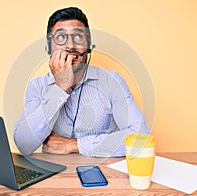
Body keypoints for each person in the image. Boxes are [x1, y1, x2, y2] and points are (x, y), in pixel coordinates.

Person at [14, 7, 149, 157]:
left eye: (78, 37)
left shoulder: (112, 82)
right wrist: (59, 88)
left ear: (89, 46)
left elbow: (140, 137)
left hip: (103, 172)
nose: (71, 46)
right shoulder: (37, 86)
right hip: (53, 175)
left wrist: (74, 145)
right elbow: (23, 144)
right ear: (49, 48)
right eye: (60, 38)